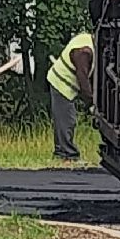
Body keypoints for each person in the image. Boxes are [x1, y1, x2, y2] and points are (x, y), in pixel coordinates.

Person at [47, 30, 95, 163]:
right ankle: (69, 155)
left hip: (60, 80)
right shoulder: (84, 52)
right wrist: (91, 102)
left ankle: (60, 153)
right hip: (61, 83)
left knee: (62, 119)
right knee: (67, 120)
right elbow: (82, 78)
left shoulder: (86, 41)